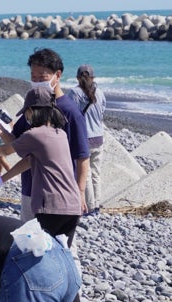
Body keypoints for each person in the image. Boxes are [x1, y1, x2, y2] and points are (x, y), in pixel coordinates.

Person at [0, 86, 85, 302]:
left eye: (27, 112)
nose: (25, 117)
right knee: (63, 257)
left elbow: (9, 149)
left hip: (51, 206)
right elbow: (28, 161)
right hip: (70, 206)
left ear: (34, 112)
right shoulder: (58, 133)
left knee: (40, 257)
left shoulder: (36, 134)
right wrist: (0, 181)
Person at [6, 48, 90, 222]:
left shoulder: (70, 112)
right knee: (29, 243)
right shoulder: (33, 106)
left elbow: (82, 156)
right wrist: (1, 130)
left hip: (59, 195)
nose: (36, 82)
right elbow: (17, 143)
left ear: (57, 75)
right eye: (33, 77)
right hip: (30, 189)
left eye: (42, 77)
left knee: (59, 246)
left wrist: (80, 192)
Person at [66, 64, 106, 216]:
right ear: (93, 77)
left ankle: (89, 207)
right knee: (96, 173)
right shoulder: (100, 93)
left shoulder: (74, 93)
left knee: (85, 174)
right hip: (99, 137)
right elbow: (102, 112)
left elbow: (69, 114)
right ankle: (97, 205)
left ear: (77, 77)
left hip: (84, 137)